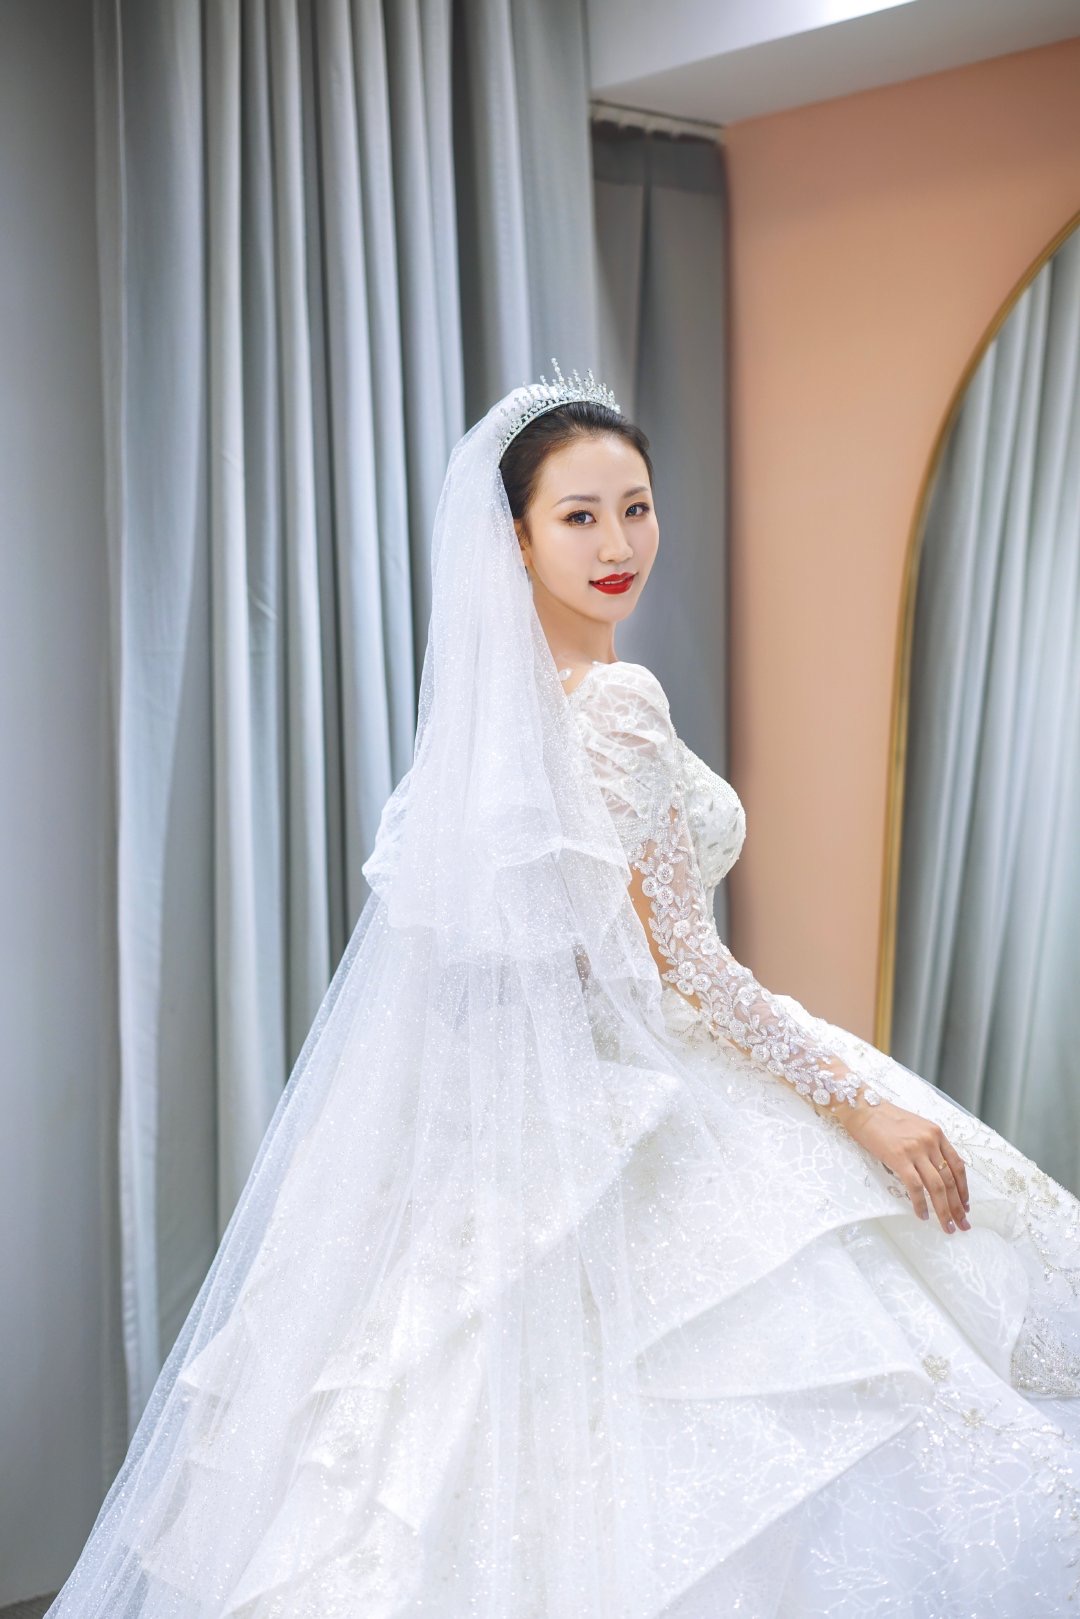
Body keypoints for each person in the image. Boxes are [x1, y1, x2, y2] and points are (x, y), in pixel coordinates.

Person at [47, 365, 1080, 1618]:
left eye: (635, 507)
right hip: (649, 1096)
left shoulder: (486, 729)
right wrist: (859, 1103)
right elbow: (683, 961)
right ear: (517, 540)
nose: (618, 543)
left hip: (517, 1133)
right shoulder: (618, 701)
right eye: (579, 516)